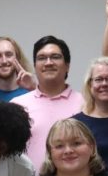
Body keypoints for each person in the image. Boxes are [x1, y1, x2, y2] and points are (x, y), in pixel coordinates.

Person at [15, 35, 85, 169]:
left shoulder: (86, 103)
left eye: (55, 57)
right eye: (42, 58)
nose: (48, 62)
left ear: (67, 66)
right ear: (35, 66)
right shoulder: (18, 105)